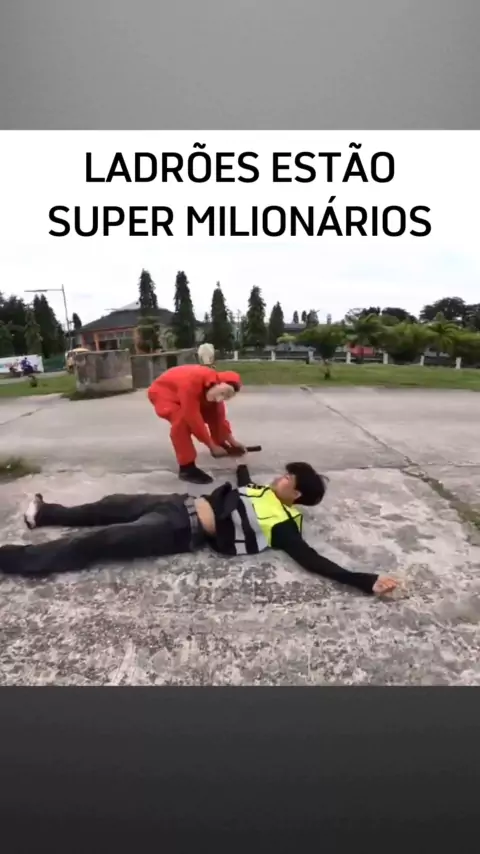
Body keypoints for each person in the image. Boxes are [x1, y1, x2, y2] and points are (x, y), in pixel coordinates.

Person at [0, 460, 398, 597]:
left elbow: (314, 560)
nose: (280, 478)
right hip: (177, 503)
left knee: (99, 541)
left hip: (180, 528)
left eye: (287, 479)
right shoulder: (262, 491)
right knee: (110, 505)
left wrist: (364, 580)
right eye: (284, 473)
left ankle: (13, 560)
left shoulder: (284, 524)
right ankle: (46, 514)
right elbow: (244, 483)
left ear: (296, 495)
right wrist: (240, 462)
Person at [147, 363, 245, 485]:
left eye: (226, 397)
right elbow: (193, 418)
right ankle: (187, 468)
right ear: (216, 383)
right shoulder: (191, 383)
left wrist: (232, 442)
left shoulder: (214, 388)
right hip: (163, 393)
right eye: (222, 393)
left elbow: (219, 419)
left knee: (215, 413)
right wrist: (211, 446)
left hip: (191, 392)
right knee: (182, 422)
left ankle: (220, 443)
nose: (220, 399)